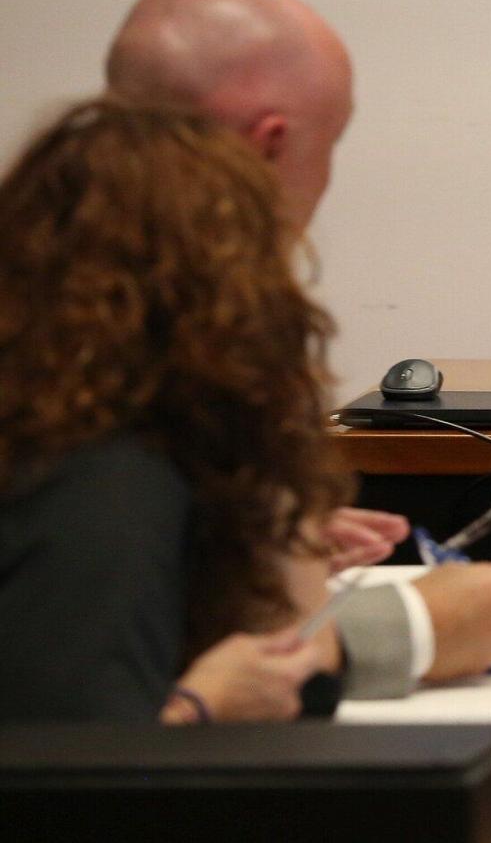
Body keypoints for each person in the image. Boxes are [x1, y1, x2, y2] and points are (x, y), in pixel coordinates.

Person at [104, 0, 491, 700]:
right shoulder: (173, 336)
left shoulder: (73, 305)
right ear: (269, 147)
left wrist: (229, 531)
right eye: (330, 144)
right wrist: (413, 625)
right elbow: (86, 728)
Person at [0, 99, 351, 722]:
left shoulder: (69, 436)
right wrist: (204, 706)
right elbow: (65, 779)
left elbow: (289, 655)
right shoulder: (104, 484)